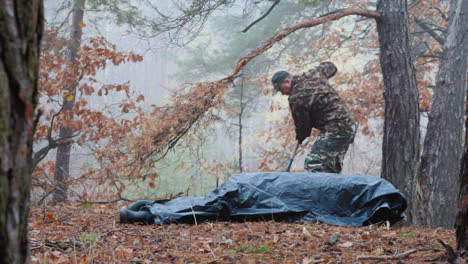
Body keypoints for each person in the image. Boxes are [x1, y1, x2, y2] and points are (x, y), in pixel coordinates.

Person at [271, 62, 357, 173]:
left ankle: (321, 190)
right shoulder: (314, 74)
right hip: (349, 125)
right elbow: (331, 66)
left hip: (335, 129)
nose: (282, 93)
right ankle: (333, 189)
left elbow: (303, 126)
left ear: (288, 81)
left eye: (281, 89)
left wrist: (300, 136)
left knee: (314, 164)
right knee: (330, 166)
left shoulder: (296, 97)